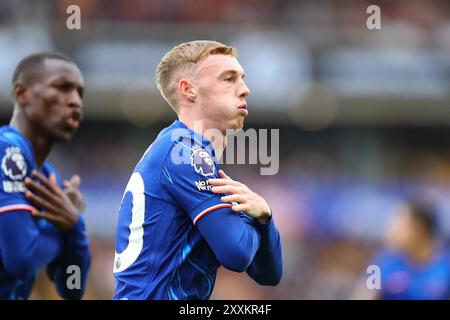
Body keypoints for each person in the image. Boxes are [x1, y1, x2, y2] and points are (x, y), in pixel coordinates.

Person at [113, 40, 282, 299]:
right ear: (188, 90)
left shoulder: (188, 153)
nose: (245, 89)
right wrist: (253, 217)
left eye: (242, 79)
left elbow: (269, 274)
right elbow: (236, 254)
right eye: (228, 79)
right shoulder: (184, 153)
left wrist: (265, 218)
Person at [0, 53, 91, 300]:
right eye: (62, 88)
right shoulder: (7, 149)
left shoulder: (49, 178)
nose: (75, 102)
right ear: (22, 94)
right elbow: (20, 259)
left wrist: (75, 229)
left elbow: (72, 289)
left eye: (79, 93)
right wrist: (67, 226)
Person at [353, 198, 450, 299]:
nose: (391, 232)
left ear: (419, 228)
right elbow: (363, 295)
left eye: (399, 225)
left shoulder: (446, 267)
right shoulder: (381, 264)